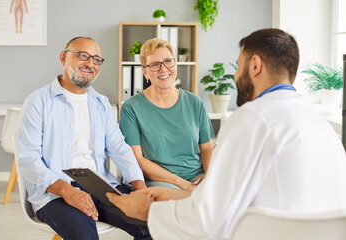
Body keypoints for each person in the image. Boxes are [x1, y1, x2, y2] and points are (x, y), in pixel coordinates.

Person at [107, 28, 346, 239]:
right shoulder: (321, 126)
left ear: (254, 65)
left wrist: (148, 211)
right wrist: (171, 192)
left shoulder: (251, 118)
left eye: (238, 65)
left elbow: (208, 219)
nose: (234, 75)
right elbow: (236, 199)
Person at [17, 37, 151, 240]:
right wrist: (67, 191)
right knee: (85, 236)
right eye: (83, 56)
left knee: (151, 225)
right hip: (54, 193)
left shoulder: (101, 103)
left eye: (97, 59)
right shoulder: (37, 102)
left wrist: (140, 187)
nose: (90, 64)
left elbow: (118, 147)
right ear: (63, 57)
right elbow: (28, 159)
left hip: (101, 186)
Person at [119, 38, 214, 190]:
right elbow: (137, 159)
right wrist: (181, 183)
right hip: (161, 182)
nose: (163, 69)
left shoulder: (195, 102)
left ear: (175, 64)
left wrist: (209, 176)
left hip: (197, 178)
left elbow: (207, 148)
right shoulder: (131, 108)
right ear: (145, 72)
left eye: (168, 61)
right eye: (155, 64)